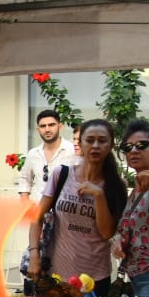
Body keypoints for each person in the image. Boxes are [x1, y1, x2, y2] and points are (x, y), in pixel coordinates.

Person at [29, 117, 125, 285]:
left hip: (94, 279)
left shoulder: (115, 185)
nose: (95, 146)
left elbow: (106, 233)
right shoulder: (62, 174)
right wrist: (34, 254)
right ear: (80, 144)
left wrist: (99, 195)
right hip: (56, 273)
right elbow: (37, 216)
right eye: (90, 140)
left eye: (102, 141)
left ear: (111, 146)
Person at [115, 119, 149, 297]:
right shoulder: (135, 189)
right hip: (135, 276)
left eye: (142, 145)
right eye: (127, 147)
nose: (134, 151)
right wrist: (118, 241)